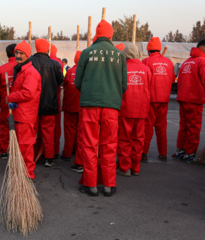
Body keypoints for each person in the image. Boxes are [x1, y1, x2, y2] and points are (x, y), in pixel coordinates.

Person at [75, 20, 127, 197]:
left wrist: (90, 93)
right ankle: (108, 185)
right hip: (112, 106)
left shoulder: (87, 53)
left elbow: (77, 82)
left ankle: (91, 185)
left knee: (89, 145)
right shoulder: (119, 55)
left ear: (96, 35)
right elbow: (124, 85)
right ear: (111, 35)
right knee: (110, 145)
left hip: (90, 105)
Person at [174, 39, 205, 163]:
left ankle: (180, 151)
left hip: (183, 98)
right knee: (194, 128)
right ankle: (190, 153)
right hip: (194, 100)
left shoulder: (187, 62)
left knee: (183, 126)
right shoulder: (202, 61)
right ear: (202, 48)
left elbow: (180, 80)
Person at [6, 40, 41, 179]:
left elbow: (27, 93)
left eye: (21, 53)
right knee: (21, 146)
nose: (18, 56)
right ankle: (21, 170)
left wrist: (11, 97)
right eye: (17, 53)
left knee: (26, 146)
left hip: (26, 116)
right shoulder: (21, 70)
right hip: (20, 114)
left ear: (28, 55)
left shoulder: (30, 73)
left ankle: (28, 174)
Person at [117, 44, 151, 176]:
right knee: (138, 139)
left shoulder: (122, 68)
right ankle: (136, 168)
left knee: (124, 139)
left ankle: (125, 168)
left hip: (126, 109)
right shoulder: (146, 69)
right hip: (142, 110)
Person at [31, 39, 64, 167]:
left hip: (33, 104)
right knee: (48, 132)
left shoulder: (29, 62)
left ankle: (31, 156)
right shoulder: (55, 64)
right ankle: (48, 158)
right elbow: (61, 80)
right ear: (47, 49)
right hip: (49, 102)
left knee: (31, 131)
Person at [142, 37, 175, 162]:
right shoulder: (169, 62)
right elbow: (172, 80)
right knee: (161, 128)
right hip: (164, 99)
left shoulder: (145, 61)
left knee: (147, 127)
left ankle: (144, 153)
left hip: (150, 100)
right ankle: (163, 154)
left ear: (149, 50)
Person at [0, 44, 17, 159]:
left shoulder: (1, 69)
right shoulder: (22, 67)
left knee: (4, 126)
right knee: (19, 126)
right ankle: (17, 150)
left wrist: (1, 103)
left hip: (5, 102)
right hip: (19, 103)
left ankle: (4, 150)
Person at [61, 51, 81, 161]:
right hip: (82, 106)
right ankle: (78, 152)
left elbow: (64, 84)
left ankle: (67, 153)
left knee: (69, 131)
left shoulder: (70, 71)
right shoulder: (86, 71)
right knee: (80, 131)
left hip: (69, 105)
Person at [50, 44, 65, 158]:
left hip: (39, 99)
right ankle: (53, 151)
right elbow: (62, 80)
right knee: (55, 126)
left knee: (41, 127)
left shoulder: (33, 60)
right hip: (54, 97)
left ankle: (43, 152)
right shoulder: (58, 63)